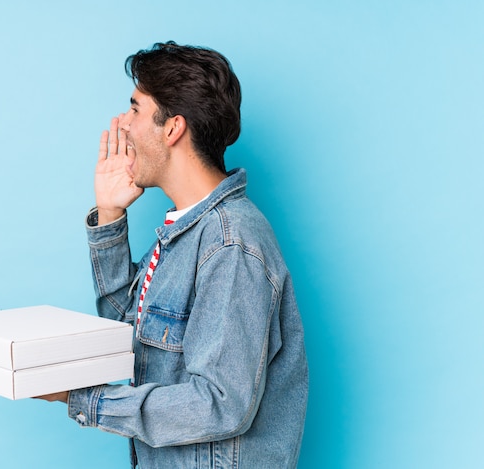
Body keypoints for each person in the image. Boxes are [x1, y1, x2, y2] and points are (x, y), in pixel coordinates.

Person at [40, 41, 308, 468]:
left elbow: (220, 403)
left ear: (172, 128)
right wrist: (109, 216)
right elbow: (123, 336)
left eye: (134, 109)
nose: (122, 125)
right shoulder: (184, 232)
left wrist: (86, 401)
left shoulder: (230, 244)